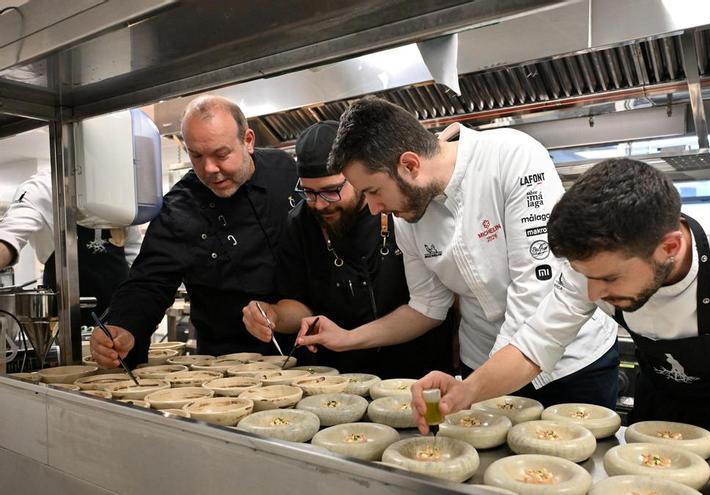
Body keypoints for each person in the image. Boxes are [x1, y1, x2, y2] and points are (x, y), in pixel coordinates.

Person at [412, 158, 710, 441]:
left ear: (669, 247)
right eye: (587, 280)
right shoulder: (593, 264)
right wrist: (464, 392)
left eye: (609, 279)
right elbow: (535, 343)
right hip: (660, 406)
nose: (595, 295)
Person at [297, 97, 620, 407]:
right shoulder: (408, 215)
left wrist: (474, 389)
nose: (373, 208)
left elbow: (535, 293)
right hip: (480, 366)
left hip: (570, 365)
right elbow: (426, 307)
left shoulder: (510, 156)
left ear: (409, 165)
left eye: (374, 191)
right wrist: (346, 337)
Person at [90, 95, 299, 367]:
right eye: (196, 156)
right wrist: (123, 326)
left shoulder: (284, 170)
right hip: (227, 365)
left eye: (221, 154)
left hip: (307, 347)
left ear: (248, 141)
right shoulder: (179, 209)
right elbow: (149, 282)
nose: (210, 169)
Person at [242, 121, 455, 377]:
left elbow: (433, 300)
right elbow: (299, 304)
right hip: (341, 374)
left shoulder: (397, 206)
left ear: (356, 176)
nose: (319, 205)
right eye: (308, 193)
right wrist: (272, 314)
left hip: (418, 367)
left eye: (330, 191)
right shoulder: (300, 224)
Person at [0, 171, 141, 321]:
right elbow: (10, 235)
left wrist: (141, 299)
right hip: (63, 317)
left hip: (120, 312)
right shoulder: (42, 188)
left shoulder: (118, 188)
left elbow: (134, 251)